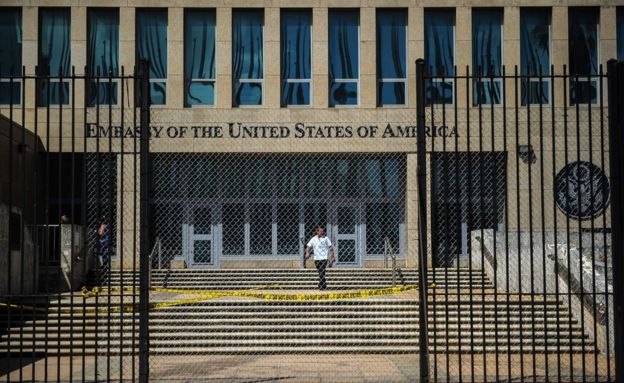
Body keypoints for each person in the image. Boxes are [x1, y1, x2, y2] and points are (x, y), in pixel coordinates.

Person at [305, 226, 336, 290]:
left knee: (322, 271)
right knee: (320, 272)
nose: (322, 232)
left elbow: (330, 247)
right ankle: (323, 284)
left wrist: (332, 256)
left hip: (324, 258)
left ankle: (321, 286)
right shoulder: (313, 239)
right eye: (320, 231)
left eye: (323, 231)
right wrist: (307, 253)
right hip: (316, 258)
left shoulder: (326, 238)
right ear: (317, 231)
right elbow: (308, 246)